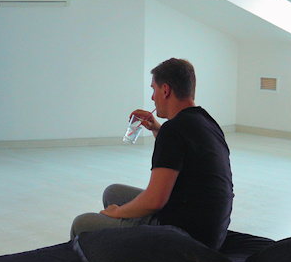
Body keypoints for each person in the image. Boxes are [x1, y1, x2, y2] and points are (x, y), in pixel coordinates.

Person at [71, 58, 233, 249]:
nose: (152, 97)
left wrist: (117, 213)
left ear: (165, 90)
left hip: (184, 238)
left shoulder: (173, 130)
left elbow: (155, 201)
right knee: (113, 193)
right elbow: (181, 155)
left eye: (153, 89)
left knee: (82, 224)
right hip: (210, 231)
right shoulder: (206, 121)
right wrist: (157, 129)